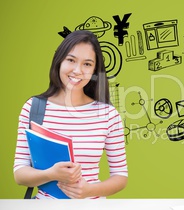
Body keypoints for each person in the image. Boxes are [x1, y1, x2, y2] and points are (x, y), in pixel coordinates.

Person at [13, 30, 128, 199]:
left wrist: (90, 191)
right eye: (71, 60)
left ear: (95, 70)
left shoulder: (108, 114)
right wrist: (51, 174)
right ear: (59, 61)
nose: (77, 70)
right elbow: (19, 174)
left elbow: (120, 176)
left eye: (87, 64)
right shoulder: (33, 108)